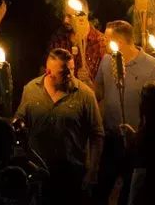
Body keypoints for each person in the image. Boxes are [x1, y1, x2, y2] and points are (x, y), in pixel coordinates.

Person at [93, 21, 155, 204]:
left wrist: (145, 133)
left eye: (107, 39)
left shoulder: (151, 66)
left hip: (136, 144)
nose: (102, 42)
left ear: (119, 42)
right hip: (112, 140)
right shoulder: (107, 61)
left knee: (129, 196)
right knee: (100, 191)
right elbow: (97, 93)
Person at [14, 48, 104, 204]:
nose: (70, 75)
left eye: (72, 69)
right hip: (38, 172)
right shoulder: (31, 90)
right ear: (49, 71)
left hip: (71, 174)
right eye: (64, 72)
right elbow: (20, 119)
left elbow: (97, 134)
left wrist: (92, 171)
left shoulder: (85, 95)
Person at [48, 0, 107, 85]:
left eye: (70, 17)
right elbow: (46, 71)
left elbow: (105, 85)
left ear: (82, 18)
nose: (65, 21)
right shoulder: (59, 38)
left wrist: (89, 80)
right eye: (65, 16)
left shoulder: (100, 42)